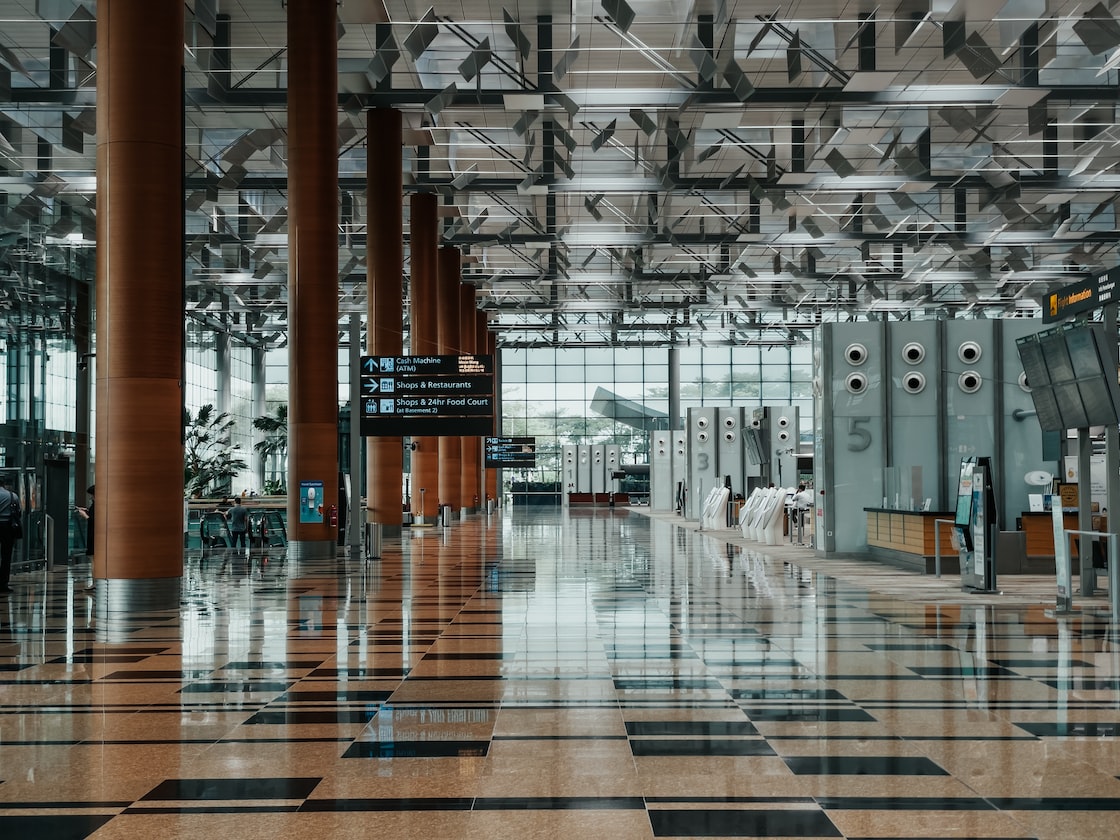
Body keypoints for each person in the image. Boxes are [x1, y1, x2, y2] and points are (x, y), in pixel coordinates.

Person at [0, 475, 21, 594]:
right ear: (3, 484)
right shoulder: (12, 496)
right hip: (7, 528)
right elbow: (18, 512)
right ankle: (3, 584)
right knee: (6, 556)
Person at [77, 484, 95, 557]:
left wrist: (85, 516)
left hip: (94, 534)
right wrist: (87, 511)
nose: (91, 498)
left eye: (92, 495)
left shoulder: (98, 505)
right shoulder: (95, 504)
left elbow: (94, 520)